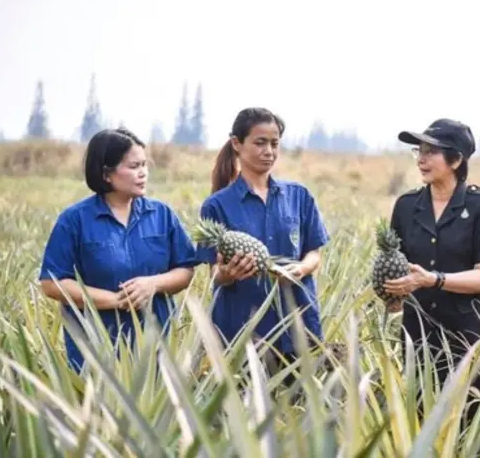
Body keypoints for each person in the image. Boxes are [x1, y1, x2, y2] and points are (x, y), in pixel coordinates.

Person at [39, 127, 199, 373]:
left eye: (144, 165)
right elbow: (52, 283)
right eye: (134, 166)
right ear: (106, 174)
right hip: (95, 351)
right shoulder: (75, 220)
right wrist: (115, 300)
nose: (143, 173)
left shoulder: (162, 215)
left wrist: (153, 284)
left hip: (157, 348)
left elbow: (185, 270)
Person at [383, 118, 480, 418]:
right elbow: (395, 263)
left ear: (456, 160)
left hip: (471, 334)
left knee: (470, 418)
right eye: (419, 151)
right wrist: (392, 293)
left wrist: (434, 279)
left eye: (431, 152)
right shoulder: (406, 206)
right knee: (421, 416)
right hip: (420, 332)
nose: (421, 159)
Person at [196, 107, 330, 380]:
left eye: (274, 143)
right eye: (260, 142)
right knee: (243, 403)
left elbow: (314, 254)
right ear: (237, 144)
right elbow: (215, 275)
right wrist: (228, 274)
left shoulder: (299, 196)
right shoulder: (216, 205)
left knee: (300, 402)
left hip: (297, 324)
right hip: (242, 330)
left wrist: (300, 269)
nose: (268, 151)